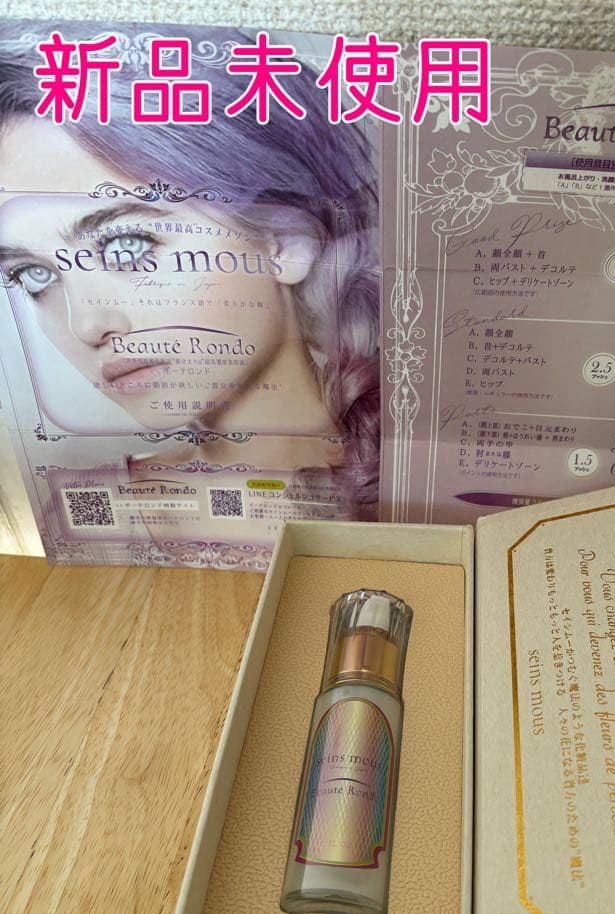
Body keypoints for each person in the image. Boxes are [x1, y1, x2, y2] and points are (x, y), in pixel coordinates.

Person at [0, 24, 380, 566]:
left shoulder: (430, 471)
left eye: (127, 245)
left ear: (285, 240)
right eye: (35, 275)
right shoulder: (91, 515)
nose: (87, 325)